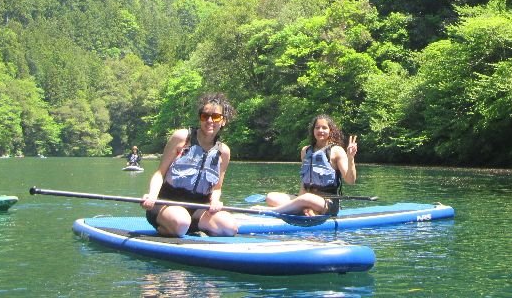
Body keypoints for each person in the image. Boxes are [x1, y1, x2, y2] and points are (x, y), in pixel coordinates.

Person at [141, 92, 239, 237]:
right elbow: (160, 173)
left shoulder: (223, 151)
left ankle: (192, 227)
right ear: (200, 118)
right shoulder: (182, 137)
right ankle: (166, 227)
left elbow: (217, 188)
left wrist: (216, 201)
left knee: (229, 227)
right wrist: (152, 195)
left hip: (198, 207)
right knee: (181, 222)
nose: (210, 120)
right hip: (167, 203)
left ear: (223, 121)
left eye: (216, 116)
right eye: (205, 116)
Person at [262, 114, 358, 216]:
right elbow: (304, 182)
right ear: (313, 131)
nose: (320, 130)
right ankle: (305, 209)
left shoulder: (337, 151)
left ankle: (273, 211)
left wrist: (351, 158)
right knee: (271, 197)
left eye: (324, 128)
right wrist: (301, 200)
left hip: (328, 202)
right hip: (307, 198)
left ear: (331, 131)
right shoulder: (305, 151)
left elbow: (350, 180)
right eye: (317, 128)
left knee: (306, 198)